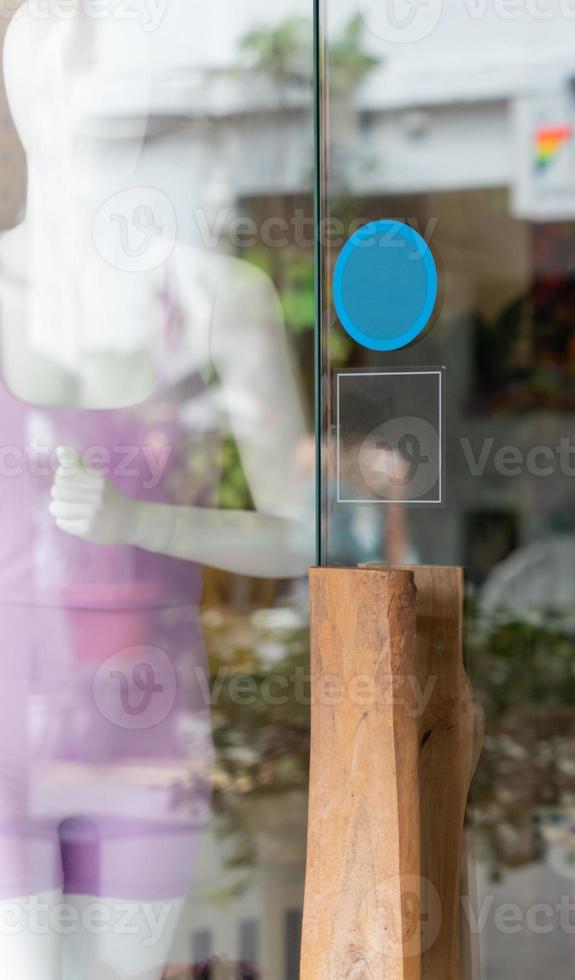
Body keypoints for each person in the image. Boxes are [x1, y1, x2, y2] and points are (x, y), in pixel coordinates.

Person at [0, 5, 311, 975]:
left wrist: (143, 521)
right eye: (50, 82)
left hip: (147, 730)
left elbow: (301, 535)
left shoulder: (225, 301)